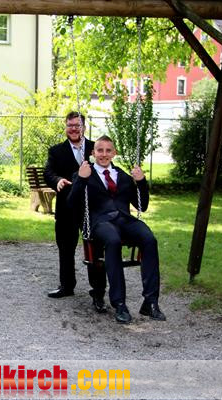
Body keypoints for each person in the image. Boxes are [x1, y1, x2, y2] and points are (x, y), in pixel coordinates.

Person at [67, 135, 165, 324]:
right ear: (93, 153)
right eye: (100, 150)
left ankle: (151, 302)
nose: (104, 154)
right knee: (113, 240)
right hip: (100, 222)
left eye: (108, 150)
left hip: (125, 220)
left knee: (149, 239)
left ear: (114, 153)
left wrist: (141, 182)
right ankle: (119, 303)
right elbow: (72, 204)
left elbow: (142, 206)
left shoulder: (124, 176)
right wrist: (81, 179)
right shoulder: (84, 173)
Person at [43, 111, 107, 313]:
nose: (73, 129)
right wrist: (57, 180)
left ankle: (98, 293)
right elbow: (48, 172)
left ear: (84, 127)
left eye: (77, 125)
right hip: (66, 207)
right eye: (70, 125)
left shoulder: (95, 148)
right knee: (65, 247)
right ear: (65, 127)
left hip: (91, 207)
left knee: (95, 249)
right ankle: (67, 286)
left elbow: (107, 168)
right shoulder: (56, 151)